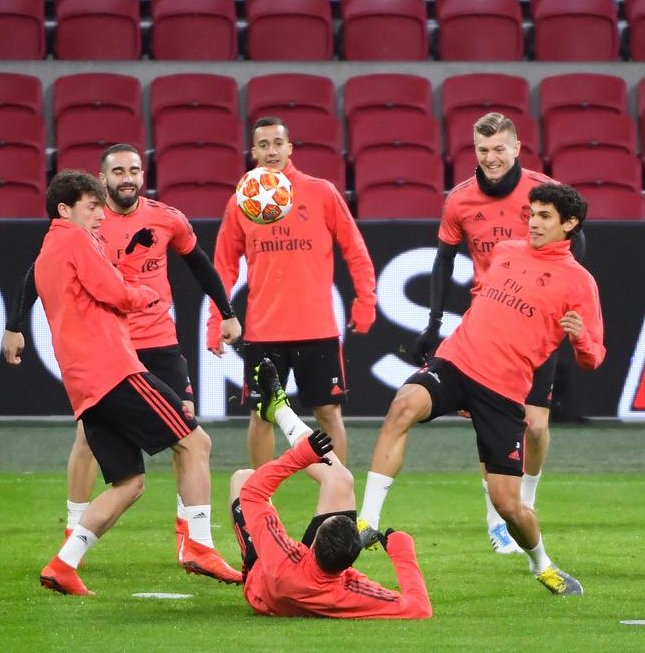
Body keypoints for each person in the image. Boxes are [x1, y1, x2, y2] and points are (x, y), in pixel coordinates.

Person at [3, 144, 242, 579]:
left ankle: (63, 564)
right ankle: (201, 546)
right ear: (68, 207)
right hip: (116, 368)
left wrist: (223, 310)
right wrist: (143, 295)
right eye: (92, 206)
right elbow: (114, 292)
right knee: (195, 443)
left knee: (130, 483)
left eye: (135, 168)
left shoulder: (51, 246)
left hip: (89, 378)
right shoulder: (79, 239)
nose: (99, 215)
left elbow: (196, 264)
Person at [361, 184, 604, 596]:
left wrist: (580, 339)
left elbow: (593, 357)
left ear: (570, 224)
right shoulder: (507, 251)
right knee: (402, 405)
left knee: (508, 506)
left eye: (546, 216)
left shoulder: (580, 283)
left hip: (504, 392)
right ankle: (365, 521)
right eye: (533, 213)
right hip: (457, 362)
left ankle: (542, 564)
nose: (535, 222)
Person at [412, 112, 575, 555]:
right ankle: (499, 520)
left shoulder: (544, 194)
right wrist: (433, 323)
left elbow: (574, 249)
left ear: (517, 147)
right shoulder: (459, 200)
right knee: (499, 423)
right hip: (489, 326)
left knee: (537, 427)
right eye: (483, 151)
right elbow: (443, 261)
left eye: (499, 149)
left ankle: (525, 504)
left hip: (537, 322)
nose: (491, 158)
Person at [209, 117, 378, 468]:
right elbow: (223, 266)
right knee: (262, 415)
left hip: (316, 328)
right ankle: (259, 499)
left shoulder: (320, 192)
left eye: (277, 143)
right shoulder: (242, 201)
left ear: (290, 147)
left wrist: (366, 301)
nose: (271, 151)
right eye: (264, 145)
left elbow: (355, 249)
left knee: (328, 413)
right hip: (263, 330)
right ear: (253, 152)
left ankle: (338, 501)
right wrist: (217, 319)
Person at [227, 359, 432, 619]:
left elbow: (253, 492)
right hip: (310, 585)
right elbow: (419, 608)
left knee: (243, 478)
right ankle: (280, 410)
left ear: (314, 543)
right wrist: (402, 549)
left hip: (265, 577)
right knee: (341, 481)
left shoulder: (280, 559)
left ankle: (280, 411)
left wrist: (300, 457)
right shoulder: (349, 591)